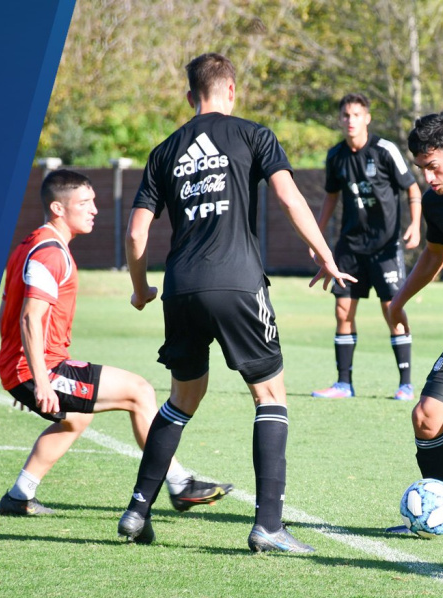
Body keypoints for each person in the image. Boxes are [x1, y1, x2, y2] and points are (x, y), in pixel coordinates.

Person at [119, 53, 354, 553]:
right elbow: (291, 199)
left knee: (182, 398)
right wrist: (325, 254)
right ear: (232, 91)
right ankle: (268, 524)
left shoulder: (164, 151)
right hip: (238, 283)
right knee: (270, 397)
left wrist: (141, 288)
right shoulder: (254, 134)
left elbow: (137, 232)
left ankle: (138, 510)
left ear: (190, 98)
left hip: (180, 287)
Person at [0, 168, 232, 533]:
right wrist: (37, 380)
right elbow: (29, 318)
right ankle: (179, 483)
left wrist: (18, 369)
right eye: (85, 203)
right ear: (58, 208)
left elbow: (6, 311)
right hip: (40, 367)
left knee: (76, 417)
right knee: (139, 392)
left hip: (28, 366)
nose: (94, 210)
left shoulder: (29, 244)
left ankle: (19, 495)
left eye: (94, 202)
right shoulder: (51, 255)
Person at [311, 93, 422, 400]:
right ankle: (343, 384)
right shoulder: (336, 156)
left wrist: (414, 225)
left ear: (367, 118)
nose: (350, 120)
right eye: (345, 115)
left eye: (356, 115)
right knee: (342, 309)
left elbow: (412, 187)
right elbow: (331, 197)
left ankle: (406, 384)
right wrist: (316, 236)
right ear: (340, 119)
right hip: (350, 247)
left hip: (385, 246)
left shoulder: (385, 151)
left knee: (392, 308)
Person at [387, 112, 443, 534]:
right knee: (427, 418)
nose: (428, 177)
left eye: (434, 166)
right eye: (421, 168)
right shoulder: (436, 201)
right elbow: (435, 253)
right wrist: (399, 301)